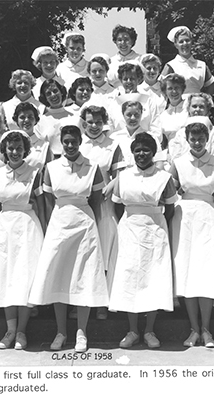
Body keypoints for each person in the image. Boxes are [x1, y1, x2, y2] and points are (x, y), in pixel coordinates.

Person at [28, 120, 108, 353]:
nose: (70, 145)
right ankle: (61, 331)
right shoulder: (51, 168)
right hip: (60, 224)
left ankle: (81, 332)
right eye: (66, 142)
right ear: (61, 143)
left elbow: (97, 199)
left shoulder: (92, 168)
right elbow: (50, 200)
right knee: (59, 276)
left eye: (74, 141)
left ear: (81, 142)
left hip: (85, 225)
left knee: (83, 277)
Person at [109, 132, 177, 349]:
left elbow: (170, 208)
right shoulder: (123, 177)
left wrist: (155, 224)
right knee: (129, 277)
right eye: (137, 150)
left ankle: (149, 331)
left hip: (155, 231)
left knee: (153, 278)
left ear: (154, 153)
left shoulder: (164, 178)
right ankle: (132, 330)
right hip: (129, 229)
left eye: (146, 150)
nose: (141, 154)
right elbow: (118, 205)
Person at [0, 131, 46, 350]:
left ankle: (22, 332)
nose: (15, 152)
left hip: (28, 227)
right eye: (11, 148)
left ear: (25, 150)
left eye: (19, 148)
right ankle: (10, 331)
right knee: (6, 277)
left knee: (24, 277)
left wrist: (46, 233)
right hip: (5, 228)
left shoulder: (35, 172)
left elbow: (41, 205)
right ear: (5, 150)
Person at [170, 121, 214, 348]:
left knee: (206, 272)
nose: (196, 143)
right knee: (186, 273)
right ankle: (194, 330)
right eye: (193, 139)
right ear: (187, 139)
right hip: (184, 218)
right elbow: (168, 192)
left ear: (207, 140)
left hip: (209, 218)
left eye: (200, 139)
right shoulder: (179, 163)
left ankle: (207, 330)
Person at [80, 105, 125, 320]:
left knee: (104, 252)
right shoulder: (78, 144)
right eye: (90, 122)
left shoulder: (112, 145)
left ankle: (101, 303)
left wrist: (110, 186)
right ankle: (80, 300)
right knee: (83, 253)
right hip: (83, 205)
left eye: (98, 122)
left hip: (105, 206)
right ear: (84, 122)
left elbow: (120, 174)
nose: (95, 126)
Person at [108, 62, 160, 136]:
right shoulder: (114, 103)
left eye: (132, 79)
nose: (129, 82)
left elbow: (156, 129)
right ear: (121, 80)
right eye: (125, 79)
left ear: (138, 79)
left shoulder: (148, 102)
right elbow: (110, 130)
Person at [111, 101, 166, 169]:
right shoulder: (114, 138)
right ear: (123, 114)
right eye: (129, 114)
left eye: (136, 115)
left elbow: (159, 163)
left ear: (141, 114)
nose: (133, 118)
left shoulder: (151, 137)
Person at [162, 26, 214, 97]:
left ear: (191, 42)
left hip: (197, 105)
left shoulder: (202, 65)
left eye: (187, 40)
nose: (185, 44)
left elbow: (211, 84)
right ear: (176, 45)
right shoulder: (171, 65)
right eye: (181, 42)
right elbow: (161, 86)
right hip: (179, 105)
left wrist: (205, 100)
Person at [169, 93, 214, 163]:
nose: (197, 109)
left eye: (201, 107)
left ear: (207, 109)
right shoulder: (181, 133)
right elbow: (176, 158)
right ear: (188, 108)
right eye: (194, 106)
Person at [37, 79, 74, 157]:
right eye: (48, 93)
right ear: (45, 98)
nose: (53, 95)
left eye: (55, 91)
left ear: (61, 92)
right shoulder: (41, 121)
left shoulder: (73, 117)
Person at [157, 73, 189, 144]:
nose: (174, 91)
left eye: (177, 88)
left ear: (182, 89)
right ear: (165, 91)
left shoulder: (189, 110)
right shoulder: (162, 116)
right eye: (170, 88)